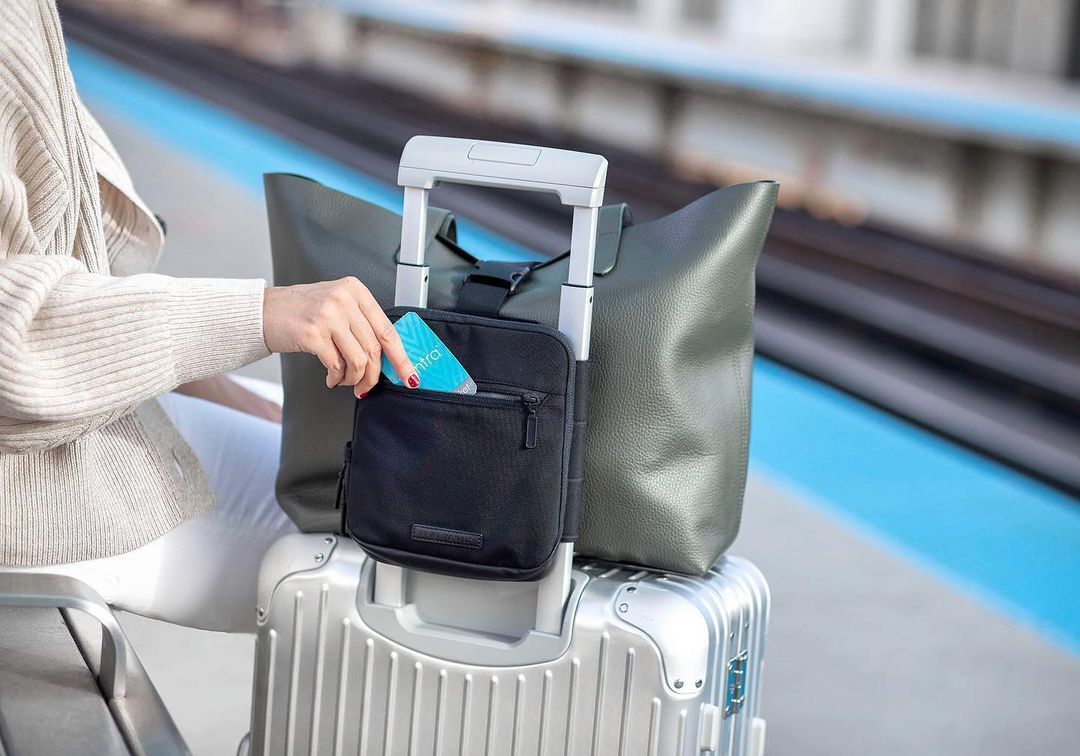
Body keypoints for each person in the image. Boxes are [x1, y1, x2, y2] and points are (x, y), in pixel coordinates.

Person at [0, 0, 419, 632]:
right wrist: (262, 314)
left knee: (321, 442)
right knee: (405, 539)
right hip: (32, 487)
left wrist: (236, 395)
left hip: (63, 435)